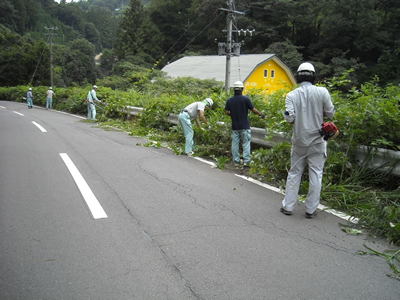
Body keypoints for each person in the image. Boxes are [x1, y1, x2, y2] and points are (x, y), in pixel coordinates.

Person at [280, 62, 335, 219]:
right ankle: (311, 210)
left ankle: (288, 206)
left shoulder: (291, 95)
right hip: (318, 141)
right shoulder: (322, 92)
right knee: (316, 174)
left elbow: (290, 118)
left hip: (299, 141)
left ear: (297, 77)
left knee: (294, 173)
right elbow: (330, 114)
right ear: (314, 77)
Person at [225, 81, 265, 166]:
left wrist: (233, 115)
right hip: (244, 126)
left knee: (235, 144)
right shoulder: (246, 99)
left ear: (234, 90)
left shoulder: (230, 100)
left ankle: (236, 161)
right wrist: (261, 114)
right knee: (246, 143)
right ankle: (246, 161)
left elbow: (226, 112)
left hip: (235, 126)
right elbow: (253, 110)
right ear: (242, 89)